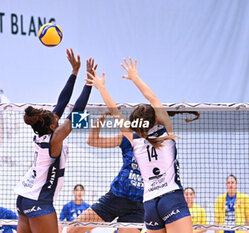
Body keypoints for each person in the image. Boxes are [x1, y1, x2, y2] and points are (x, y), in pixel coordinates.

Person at [85, 57, 193, 233]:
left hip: (150, 204)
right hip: (170, 198)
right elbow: (152, 97)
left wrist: (101, 87)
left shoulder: (134, 139)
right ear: (155, 118)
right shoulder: (165, 131)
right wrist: (135, 77)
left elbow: (114, 111)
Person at [14, 48, 95, 233]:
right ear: (52, 126)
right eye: (55, 119)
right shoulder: (55, 139)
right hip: (39, 200)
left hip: (24, 198)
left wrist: (74, 72)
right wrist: (89, 83)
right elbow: (76, 111)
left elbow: (62, 101)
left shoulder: (43, 133)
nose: (57, 117)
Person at [67, 112, 145, 233]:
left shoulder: (159, 144)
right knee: (73, 230)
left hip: (137, 207)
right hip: (114, 199)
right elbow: (92, 141)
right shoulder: (127, 139)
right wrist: (100, 119)